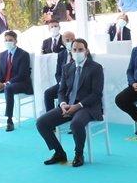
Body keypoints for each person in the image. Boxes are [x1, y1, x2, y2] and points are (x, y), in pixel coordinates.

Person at [37, 38, 104, 167]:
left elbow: (96, 94)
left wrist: (77, 106)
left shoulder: (96, 68)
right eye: (74, 50)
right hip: (68, 106)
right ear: (71, 51)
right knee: (41, 123)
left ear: (86, 51)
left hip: (87, 107)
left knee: (76, 124)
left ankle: (79, 154)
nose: (77, 52)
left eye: (80, 50)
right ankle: (59, 152)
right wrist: (63, 104)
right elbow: (61, 91)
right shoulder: (67, 68)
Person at [0, 30, 32, 131]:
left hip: (21, 83)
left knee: (8, 88)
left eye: (10, 40)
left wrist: (5, 84)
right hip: (5, 83)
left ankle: (9, 120)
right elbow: (0, 72)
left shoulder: (23, 54)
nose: (8, 42)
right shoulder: (2, 55)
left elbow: (22, 75)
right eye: (6, 40)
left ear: (15, 41)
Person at [44, 30, 75, 110]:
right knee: (48, 93)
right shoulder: (61, 54)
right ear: (63, 42)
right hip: (63, 84)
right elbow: (57, 73)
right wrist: (60, 82)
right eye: (67, 40)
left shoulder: (81, 52)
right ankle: (50, 117)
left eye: (72, 39)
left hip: (76, 83)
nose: (70, 42)